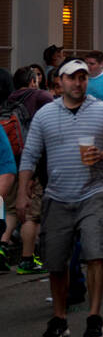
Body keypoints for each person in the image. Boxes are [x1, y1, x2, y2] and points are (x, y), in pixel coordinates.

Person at [17, 57, 103, 337]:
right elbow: (30, 154)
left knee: (95, 254)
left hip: (93, 193)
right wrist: (22, 192)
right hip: (57, 195)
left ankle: (94, 318)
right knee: (56, 262)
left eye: (82, 78)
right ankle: (59, 318)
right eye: (72, 78)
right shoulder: (44, 115)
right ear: (60, 82)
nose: (78, 83)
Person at [0, 66, 54, 274]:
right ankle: (27, 259)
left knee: (12, 209)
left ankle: (2, 247)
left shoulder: (9, 99)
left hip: (10, 160)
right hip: (32, 161)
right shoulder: (41, 97)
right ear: (32, 81)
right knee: (33, 214)